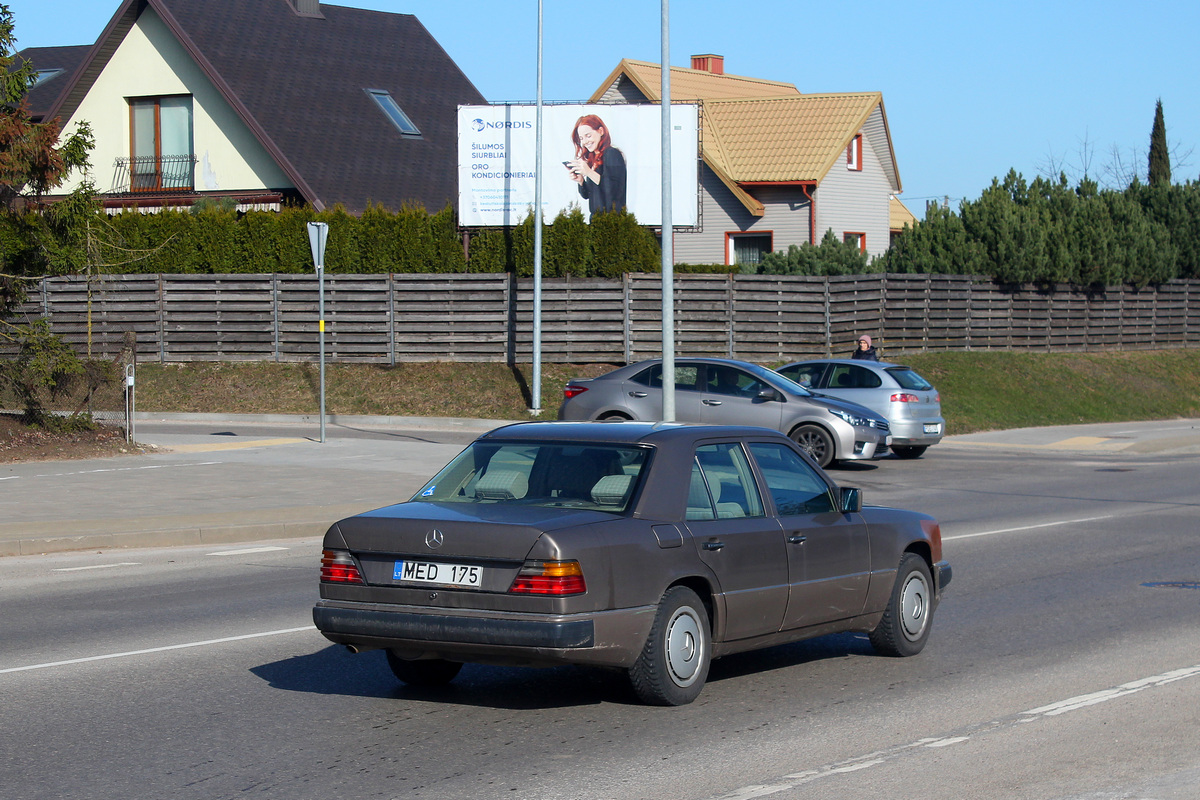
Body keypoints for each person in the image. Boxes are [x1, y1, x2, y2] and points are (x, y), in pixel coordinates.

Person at [565, 114, 627, 216]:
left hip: (612, 219)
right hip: (596, 219)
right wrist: (581, 181)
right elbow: (589, 195)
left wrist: (589, 172)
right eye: (581, 138)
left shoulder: (612, 153)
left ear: (601, 131)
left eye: (588, 136)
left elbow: (613, 189)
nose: (585, 141)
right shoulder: (594, 158)